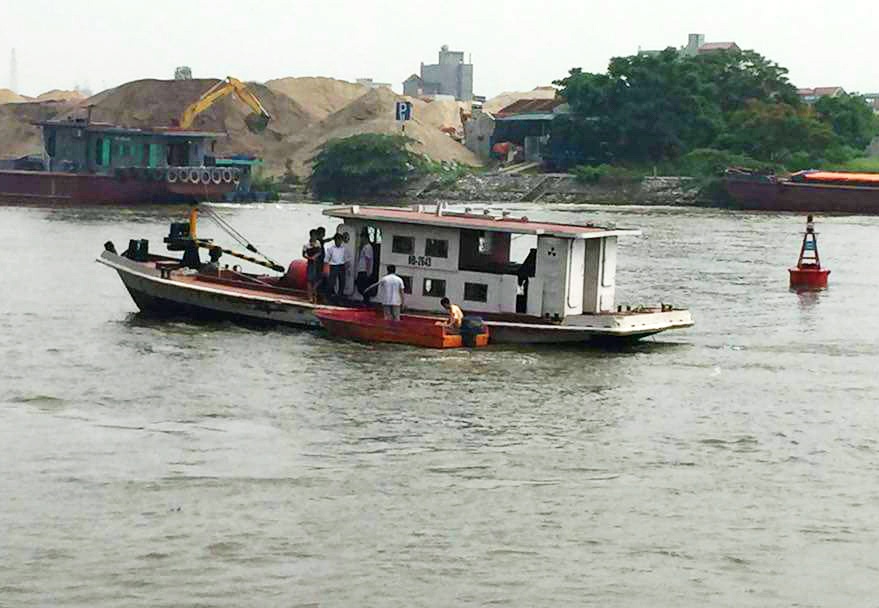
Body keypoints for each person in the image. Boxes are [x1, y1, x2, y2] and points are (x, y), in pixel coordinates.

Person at [324, 233, 347, 301]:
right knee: (332, 282)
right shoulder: (331, 249)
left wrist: (346, 265)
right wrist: (326, 268)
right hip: (334, 266)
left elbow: (347, 258)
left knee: (342, 283)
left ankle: (339, 298)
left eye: (340, 240)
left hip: (341, 266)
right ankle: (327, 297)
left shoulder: (344, 249)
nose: (339, 242)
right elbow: (326, 259)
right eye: (337, 240)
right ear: (335, 240)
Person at [304, 229, 324, 303]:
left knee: (317, 279)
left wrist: (315, 256)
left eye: (316, 235)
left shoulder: (318, 243)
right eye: (313, 235)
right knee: (310, 280)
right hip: (311, 263)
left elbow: (319, 252)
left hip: (317, 263)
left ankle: (314, 296)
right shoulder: (306, 245)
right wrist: (309, 258)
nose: (315, 237)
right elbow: (304, 254)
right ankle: (310, 297)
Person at [355, 227, 375, 303]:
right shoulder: (364, 247)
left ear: (365, 238)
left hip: (364, 270)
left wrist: (368, 270)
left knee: (362, 286)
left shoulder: (368, 247)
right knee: (361, 286)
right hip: (361, 269)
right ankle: (365, 300)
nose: (361, 239)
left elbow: (368, 260)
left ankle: (366, 300)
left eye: (362, 238)